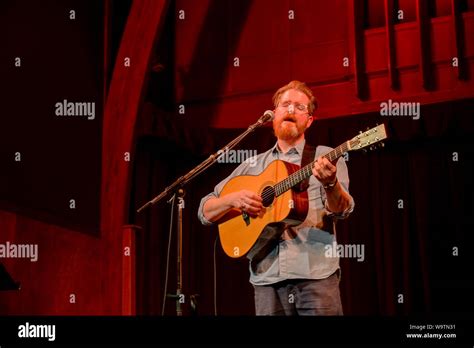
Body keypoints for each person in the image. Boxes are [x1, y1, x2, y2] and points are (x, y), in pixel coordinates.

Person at [197, 80, 355, 315]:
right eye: (285, 104)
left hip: (315, 276)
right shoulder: (252, 164)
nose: (291, 110)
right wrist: (232, 200)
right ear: (273, 115)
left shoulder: (325, 157)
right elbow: (205, 210)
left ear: (309, 120)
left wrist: (330, 184)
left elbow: (342, 210)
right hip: (266, 279)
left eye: (300, 107)